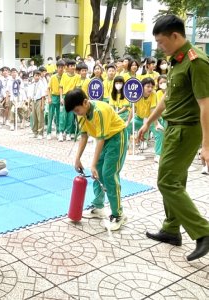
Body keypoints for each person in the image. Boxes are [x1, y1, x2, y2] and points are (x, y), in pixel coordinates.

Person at [138, 15, 209, 261]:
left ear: (176, 36)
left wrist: (206, 146)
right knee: (176, 180)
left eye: (161, 41)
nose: (159, 47)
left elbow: (205, 105)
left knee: (167, 182)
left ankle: (203, 232)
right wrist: (148, 121)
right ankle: (171, 229)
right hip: (171, 128)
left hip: (186, 130)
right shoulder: (177, 61)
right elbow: (168, 98)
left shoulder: (196, 62)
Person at [65, 88, 128, 230]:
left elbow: (100, 140)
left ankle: (119, 214)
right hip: (104, 139)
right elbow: (84, 136)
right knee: (98, 172)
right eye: (74, 112)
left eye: (77, 110)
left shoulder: (100, 111)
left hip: (117, 137)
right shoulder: (80, 113)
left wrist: (92, 164)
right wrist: (77, 159)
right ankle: (98, 207)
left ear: (85, 102)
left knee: (109, 174)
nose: (77, 113)